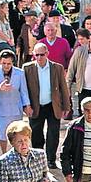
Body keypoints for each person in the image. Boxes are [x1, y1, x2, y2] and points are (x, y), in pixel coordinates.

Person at [24, 42, 70, 170]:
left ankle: (50, 159)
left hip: (53, 105)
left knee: (53, 133)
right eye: (36, 55)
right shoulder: (27, 68)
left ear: (47, 54)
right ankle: (38, 159)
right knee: (36, 133)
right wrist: (26, 105)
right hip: (35, 106)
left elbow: (63, 88)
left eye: (42, 55)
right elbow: (24, 89)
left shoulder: (57, 68)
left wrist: (66, 106)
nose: (39, 58)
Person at [0, 49, 32, 153]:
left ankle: (17, 153)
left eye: (9, 63)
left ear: (13, 62)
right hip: (1, 107)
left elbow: (24, 91)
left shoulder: (20, 73)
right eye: (4, 63)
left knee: (17, 133)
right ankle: (4, 154)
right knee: (3, 133)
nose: (6, 66)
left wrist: (27, 105)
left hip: (16, 108)